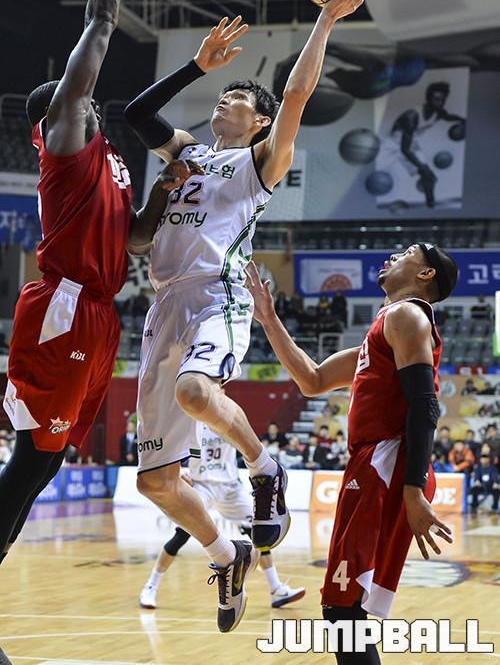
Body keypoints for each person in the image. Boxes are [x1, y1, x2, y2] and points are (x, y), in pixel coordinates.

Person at [123, 0, 372, 634]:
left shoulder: (260, 163)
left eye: (235, 97)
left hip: (218, 295)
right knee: (155, 483)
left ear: (259, 122)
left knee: (196, 393)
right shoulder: (188, 153)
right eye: (221, 95)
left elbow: (296, 93)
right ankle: (225, 554)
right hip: (162, 308)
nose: (223, 101)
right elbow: (136, 115)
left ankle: (266, 468)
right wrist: (194, 67)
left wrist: (326, 19)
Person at [0, 0, 154, 578]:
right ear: (59, 109)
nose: (93, 103)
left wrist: (172, 190)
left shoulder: (110, 164)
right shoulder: (63, 141)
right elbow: (101, 22)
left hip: (98, 311)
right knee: (33, 455)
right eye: (81, 98)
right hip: (63, 306)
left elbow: (136, 239)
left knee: (49, 461)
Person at [246, 241, 457, 664]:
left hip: (388, 464)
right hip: (377, 464)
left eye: (406, 253)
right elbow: (312, 379)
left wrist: (413, 490)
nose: (392, 256)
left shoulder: (407, 315)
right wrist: (268, 319)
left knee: (343, 610)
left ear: (426, 274)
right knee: (346, 611)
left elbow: (425, 405)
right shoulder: (382, 329)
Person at [139, 423, 305, 610]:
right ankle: (150, 586)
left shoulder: (226, 417)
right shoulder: (191, 422)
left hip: (231, 487)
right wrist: (178, 474)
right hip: (202, 485)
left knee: (259, 533)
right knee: (181, 535)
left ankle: (276, 590)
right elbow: (173, 449)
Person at [377, 82, 465, 208]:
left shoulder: (439, 112)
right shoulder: (412, 116)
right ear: (428, 99)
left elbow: (448, 117)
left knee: (429, 176)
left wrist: (463, 120)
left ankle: (431, 203)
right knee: (374, 170)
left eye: (442, 100)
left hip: (410, 144)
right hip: (392, 145)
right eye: (436, 99)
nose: (440, 103)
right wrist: (420, 166)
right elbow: (404, 149)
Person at [470, 448, 499, 513]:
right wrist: (477, 481)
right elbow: (476, 478)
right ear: (480, 460)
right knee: (475, 489)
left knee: (496, 491)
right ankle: (474, 506)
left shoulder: (493, 468)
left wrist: (495, 483)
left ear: (489, 459)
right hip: (481, 486)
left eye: (486, 458)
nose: (484, 459)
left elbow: (495, 479)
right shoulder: (478, 468)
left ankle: (494, 508)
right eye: (483, 458)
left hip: (490, 486)